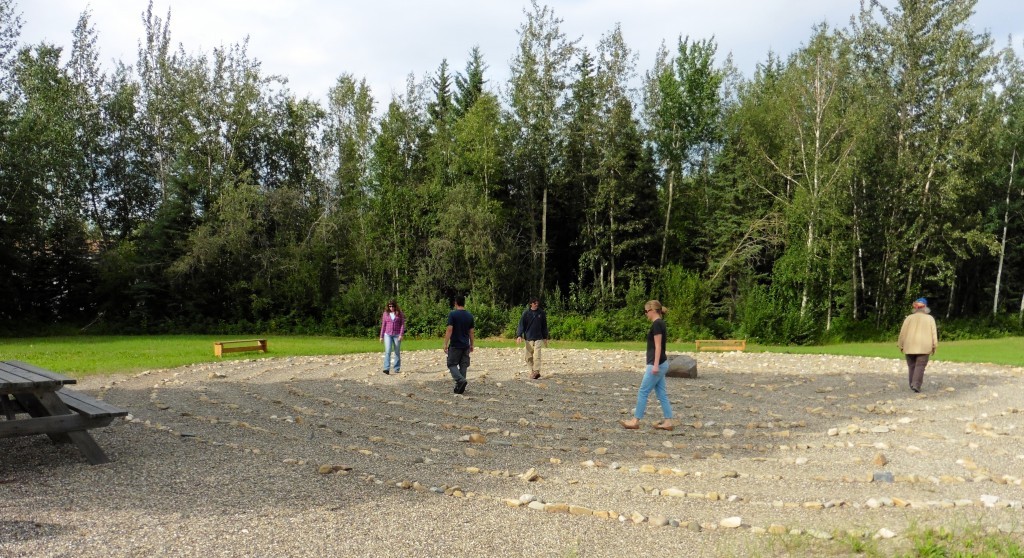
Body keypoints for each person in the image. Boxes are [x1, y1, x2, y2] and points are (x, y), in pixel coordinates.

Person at [620, 300, 674, 431]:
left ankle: (635, 420)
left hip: (657, 364)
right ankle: (668, 421)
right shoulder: (661, 323)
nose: (645, 314)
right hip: (662, 363)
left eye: (645, 311)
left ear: (652, 310)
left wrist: (655, 365)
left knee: (643, 392)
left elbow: (658, 346)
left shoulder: (657, 324)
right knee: (661, 394)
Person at [898, 297, 938, 393]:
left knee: (911, 366)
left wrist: (900, 344)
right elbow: (934, 333)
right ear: (925, 307)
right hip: (924, 347)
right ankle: (916, 384)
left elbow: (902, 332)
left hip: (909, 346)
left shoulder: (909, 318)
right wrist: (934, 345)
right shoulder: (930, 318)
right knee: (920, 366)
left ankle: (912, 384)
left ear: (915, 307)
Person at [442, 295, 475, 394]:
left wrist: (445, 343)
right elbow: (471, 332)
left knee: (451, 364)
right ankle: (460, 388)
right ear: (464, 303)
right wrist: (472, 344)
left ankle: (460, 380)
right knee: (463, 365)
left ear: (455, 303)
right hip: (465, 345)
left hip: (455, 344)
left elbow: (449, 329)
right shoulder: (470, 315)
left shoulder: (453, 314)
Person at [515, 297, 549, 379]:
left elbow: (544, 326)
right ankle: (531, 371)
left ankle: (536, 371)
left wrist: (545, 337)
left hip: (538, 337)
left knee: (537, 355)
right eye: (535, 303)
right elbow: (521, 325)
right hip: (528, 338)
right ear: (531, 304)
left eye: (537, 303)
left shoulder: (541, 313)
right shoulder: (526, 313)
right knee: (528, 356)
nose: (536, 304)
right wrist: (519, 335)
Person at [379, 299, 405, 375]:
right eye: (390, 306)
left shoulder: (399, 313)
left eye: (393, 306)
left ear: (395, 306)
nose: (391, 307)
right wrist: (381, 336)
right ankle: (386, 368)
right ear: (388, 306)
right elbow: (383, 325)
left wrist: (401, 334)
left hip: (397, 335)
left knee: (397, 352)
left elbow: (402, 324)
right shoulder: (385, 314)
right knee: (388, 351)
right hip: (387, 335)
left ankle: (396, 368)